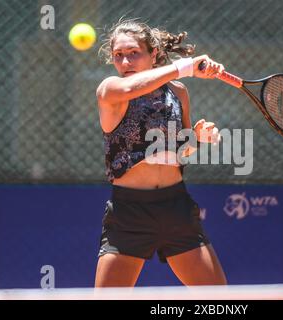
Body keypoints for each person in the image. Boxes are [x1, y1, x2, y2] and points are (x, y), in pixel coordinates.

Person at [94, 18, 227, 287]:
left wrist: (197, 138)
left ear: (153, 54)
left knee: (218, 299)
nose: (126, 62)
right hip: (129, 213)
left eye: (134, 53)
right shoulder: (111, 90)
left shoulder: (178, 92)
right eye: (119, 55)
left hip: (176, 208)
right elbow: (133, 87)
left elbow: (183, 151)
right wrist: (186, 67)